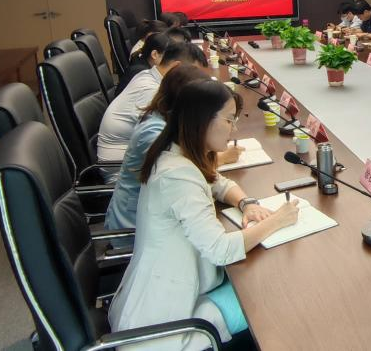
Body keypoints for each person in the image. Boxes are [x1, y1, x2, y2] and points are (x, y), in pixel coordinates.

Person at [109, 80, 299, 350]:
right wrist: (277, 220)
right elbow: (220, 250)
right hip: (167, 322)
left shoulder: (177, 153)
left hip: (184, 289)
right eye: (229, 120)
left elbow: (218, 183)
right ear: (202, 120)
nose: (234, 128)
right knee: (272, 297)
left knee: (264, 284)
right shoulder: (177, 175)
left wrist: (246, 203)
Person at [104, 65, 243, 234]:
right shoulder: (155, 134)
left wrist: (245, 202)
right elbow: (218, 246)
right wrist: (222, 158)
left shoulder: (169, 123)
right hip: (132, 228)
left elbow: (212, 178)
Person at [97, 42, 207, 181]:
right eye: (194, 76)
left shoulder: (147, 75)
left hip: (141, 163)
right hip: (123, 173)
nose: (196, 84)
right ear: (176, 68)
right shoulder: (151, 92)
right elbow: (169, 151)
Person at [116, 32, 171, 96]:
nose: (169, 60)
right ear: (154, 54)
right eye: (167, 56)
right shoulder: (142, 73)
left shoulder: (141, 60)